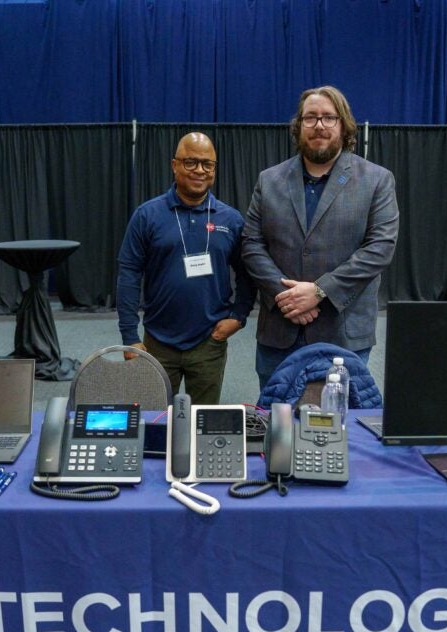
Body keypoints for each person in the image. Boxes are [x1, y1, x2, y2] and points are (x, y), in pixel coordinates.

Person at [241, 85, 400, 389]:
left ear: (344, 125)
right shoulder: (269, 180)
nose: (319, 126)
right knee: (278, 426)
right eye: (310, 118)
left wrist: (319, 291)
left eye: (329, 118)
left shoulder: (377, 180)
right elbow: (252, 244)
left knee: (338, 427)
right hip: (280, 329)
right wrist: (284, 296)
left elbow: (380, 248)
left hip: (343, 334)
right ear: (298, 126)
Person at [116, 132, 255, 404]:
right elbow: (128, 274)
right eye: (191, 162)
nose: (200, 170)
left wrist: (238, 317)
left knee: (201, 425)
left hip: (209, 342)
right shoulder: (147, 215)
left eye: (208, 164)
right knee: (153, 421)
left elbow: (248, 274)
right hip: (156, 342)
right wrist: (129, 336)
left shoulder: (231, 219)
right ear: (174, 165)